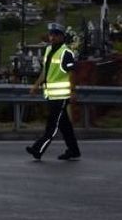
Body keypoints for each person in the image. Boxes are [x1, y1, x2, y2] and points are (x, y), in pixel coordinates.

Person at [26, 22, 81, 161]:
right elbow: (45, 71)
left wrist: (73, 91)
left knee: (52, 125)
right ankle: (73, 150)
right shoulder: (49, 50)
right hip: (51, 95)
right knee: (64, 125)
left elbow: (72, 73)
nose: (52, 37)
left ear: (62, 36)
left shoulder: (66, 52)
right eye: (51, 34)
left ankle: (37, 149)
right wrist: (36, 86)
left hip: (61, 96)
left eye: (56, 35)